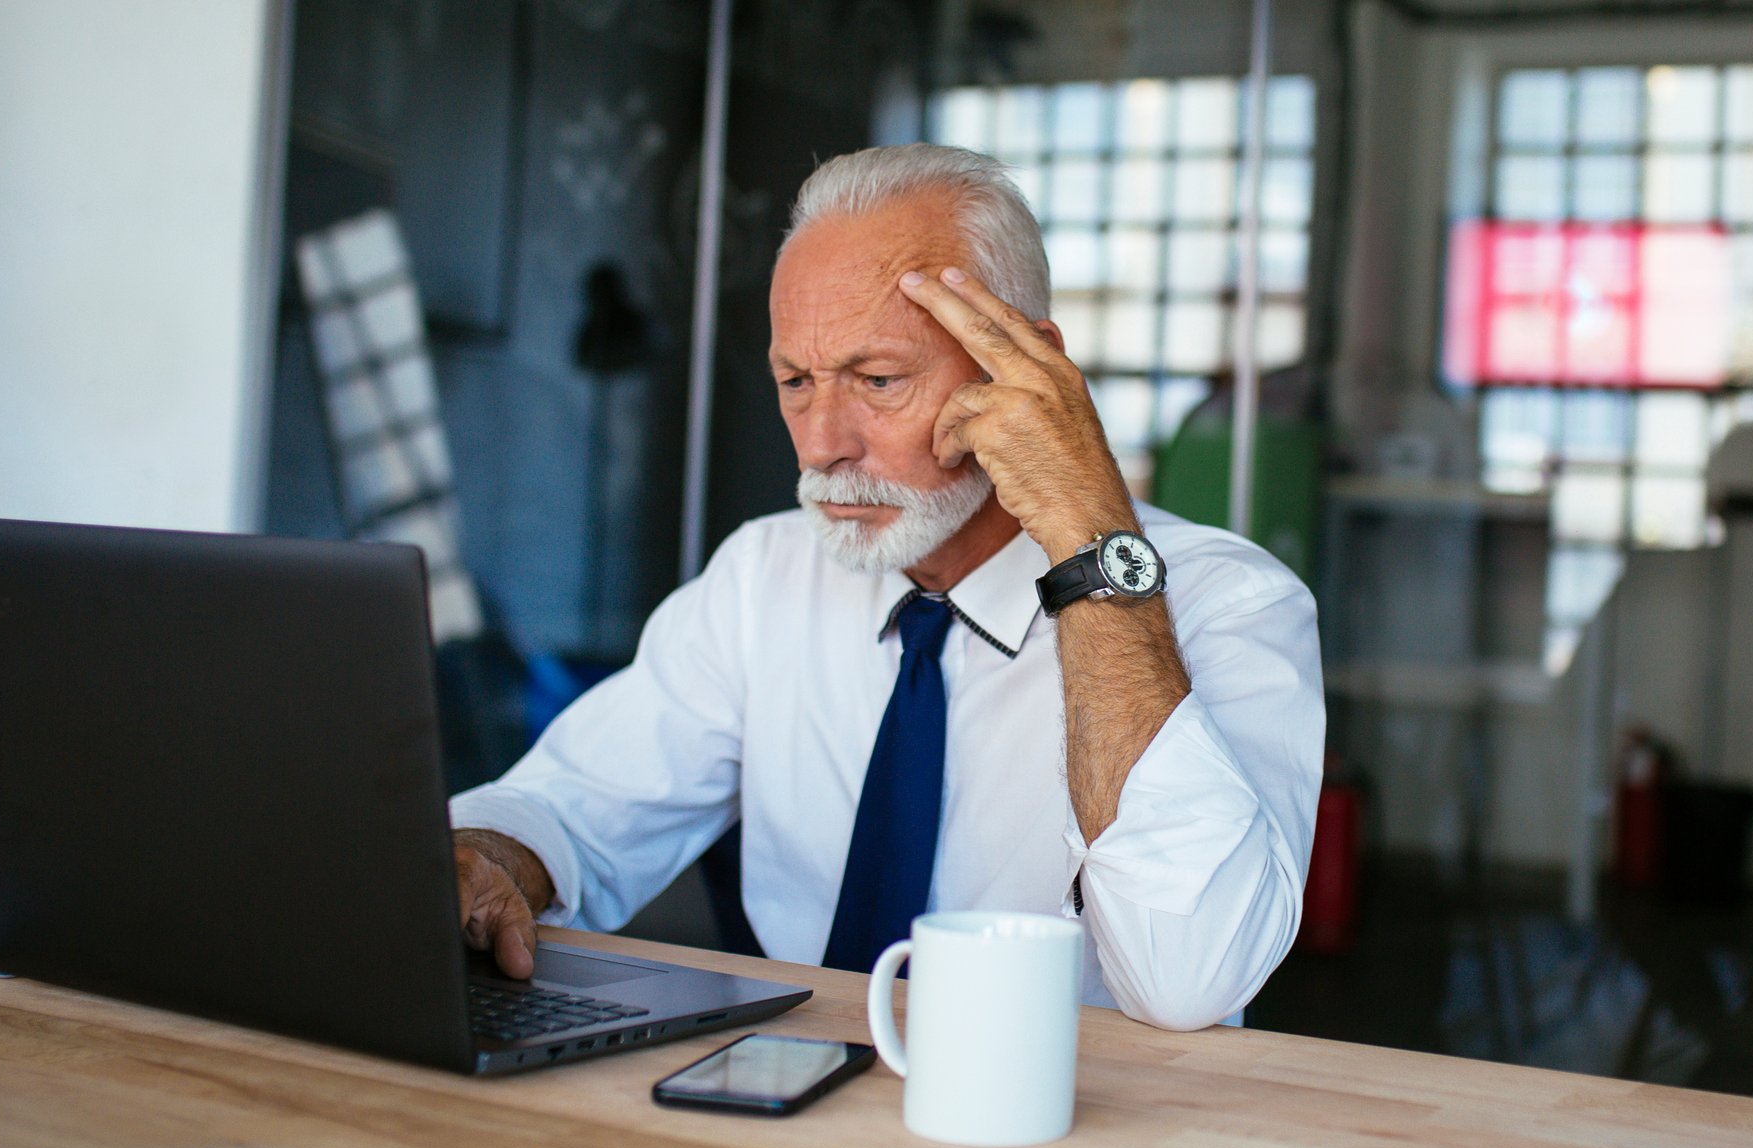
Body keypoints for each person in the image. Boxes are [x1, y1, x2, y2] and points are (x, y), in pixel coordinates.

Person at [446, 144, 1322, 1031]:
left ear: (1027, 367)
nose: (824, 442)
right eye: (796, 381)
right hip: (795, 1108)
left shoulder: (1231, 602)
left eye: (877, 380)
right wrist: (489, 855)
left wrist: (1094, 545)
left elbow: (1192, 976)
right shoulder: (766, 575)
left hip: (1071, 1136)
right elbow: (576, 805)